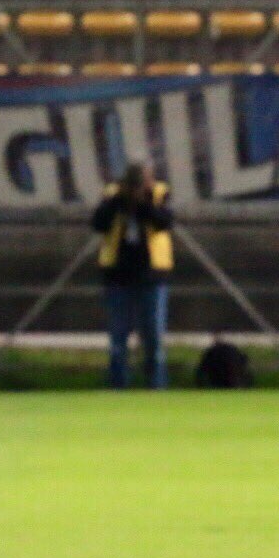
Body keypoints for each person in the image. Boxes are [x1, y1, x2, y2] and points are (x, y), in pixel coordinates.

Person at [91, 163, 174, 389]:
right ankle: (118, 385)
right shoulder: (113, 197)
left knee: (153, 337)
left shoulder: (159, 195)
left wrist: (143, 204)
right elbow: (98, 223)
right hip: (118, 275)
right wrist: (119, 201)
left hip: (152, 274)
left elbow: (164, 222)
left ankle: (156, 385)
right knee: (118, 337)